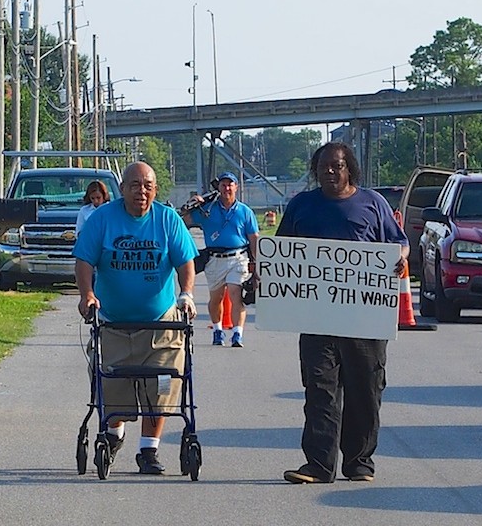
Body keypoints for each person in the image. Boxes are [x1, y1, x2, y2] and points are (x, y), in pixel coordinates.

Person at [275, 142, 408, 484]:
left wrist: (401, 260)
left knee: (365, 389)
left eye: (337, 166)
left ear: (350, 168)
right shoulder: (302, 205)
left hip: (365, 319)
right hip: (316, 318)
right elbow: (281, 251)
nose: (330, 173)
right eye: (323, 168)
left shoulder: (373, 204)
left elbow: (399, 243)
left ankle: (359, 462)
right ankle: (319, 464)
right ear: (315, 171)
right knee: (320, 389)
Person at [72, 161, 199, 475]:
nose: (141, 191)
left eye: (148, 185)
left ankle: (148, 451)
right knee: (114, 392)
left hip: (161, 323)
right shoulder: (102, 219)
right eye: (134, 185)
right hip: (114, 323)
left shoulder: (167, 220)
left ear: (155, 189)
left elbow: (186, 263)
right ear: (122, 188)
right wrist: (87, 294)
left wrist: (186, 293)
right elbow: (84, 261)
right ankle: (114, 434)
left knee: (162, 385)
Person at [182, 171, 259, 347]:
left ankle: (237, 334)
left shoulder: (245, 211)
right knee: (215, 298)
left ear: (236, 187)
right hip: (215, 259)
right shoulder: (208, 209)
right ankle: (218, 330)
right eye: (223, 185)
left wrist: (257, 263)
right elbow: (184, 220)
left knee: (235, 293)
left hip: (238, 258)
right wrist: (193, 204)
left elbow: (253, 238)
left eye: (230, 184)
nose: (227, 188)